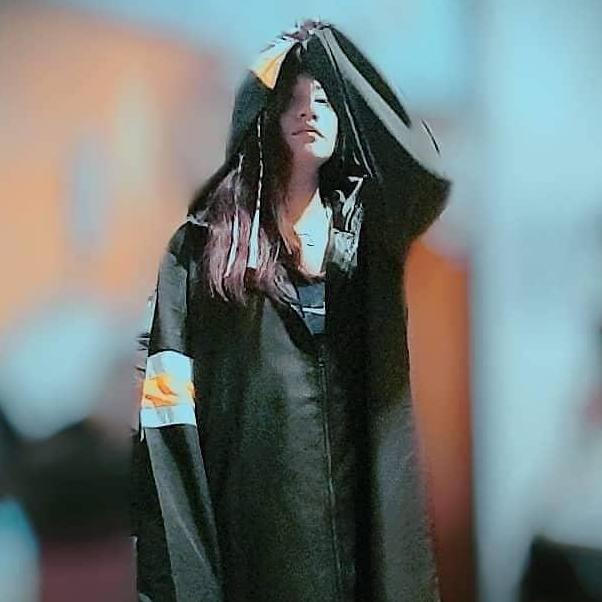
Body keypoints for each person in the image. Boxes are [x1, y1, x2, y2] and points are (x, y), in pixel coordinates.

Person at [133, 20, 451, 602]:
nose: (310, 111)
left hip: (365, 556)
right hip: (254, 561)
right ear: (264, 114)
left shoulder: (368, 240)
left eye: (326, 98)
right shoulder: (200, 252)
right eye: (294, 99)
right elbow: (167, 431)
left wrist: (332, 50)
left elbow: (425, 177)